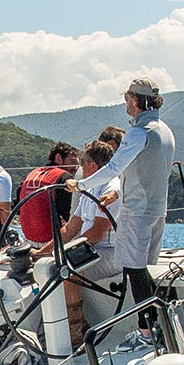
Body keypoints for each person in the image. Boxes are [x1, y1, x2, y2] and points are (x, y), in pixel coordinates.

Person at [95, 78, 176, 313]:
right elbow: (148, 173)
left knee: (134, 270)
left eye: (127, 98)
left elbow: (113, 168)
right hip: (157, 211)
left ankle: (146, 326)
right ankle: (162, 314)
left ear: (136, 100)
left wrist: (79, 184)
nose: (126, 103)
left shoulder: (139, 132)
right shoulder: (165, 131)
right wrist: (117, 192)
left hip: (136, 212)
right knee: (140, 269)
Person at [59, 140, 125, 345]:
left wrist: (64, 251)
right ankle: (76, 324)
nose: (80, 169)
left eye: (83, 164)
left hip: (111, 253)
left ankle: (74, 332)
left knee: (69, 268)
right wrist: (41, 252)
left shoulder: (111, 189)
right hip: (91, 248)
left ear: (93, 166)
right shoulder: (90, 190)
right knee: (54, 263)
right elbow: (71, 228)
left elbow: (96, 234)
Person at [13, 143, 79, 247]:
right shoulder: (64, 178)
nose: (75, 168)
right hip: (51, 243)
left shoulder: (31, 175)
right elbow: (68, 214)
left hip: (29, 240)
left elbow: (17, 206)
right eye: (73, 162)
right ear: (58, 158)